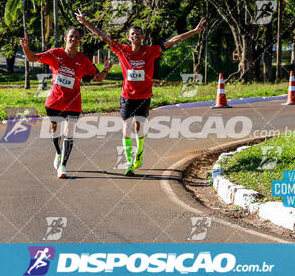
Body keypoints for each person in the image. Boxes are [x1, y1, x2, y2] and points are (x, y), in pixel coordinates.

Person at [75, 10, 206, 176]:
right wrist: (85, 23)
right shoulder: (122, 50)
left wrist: (194, 31)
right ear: (128, 38)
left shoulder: (151, 51)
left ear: (143, 37)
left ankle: (140, 150)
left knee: (139, 127)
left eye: (138, 33)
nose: (135, 36)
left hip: (143, 97)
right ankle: (129, 163)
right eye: (132, 34)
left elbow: (174, 40)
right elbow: (103, 36)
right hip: (127, 97)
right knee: (126, 127)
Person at [19, 28, 112, 178]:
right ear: (65, 38)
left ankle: (62, 166)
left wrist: (105, 70)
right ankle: (58, 152)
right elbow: (32, 58)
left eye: (76, 37)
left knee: (69, 133)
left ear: (79, 41)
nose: (73, 39)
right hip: (55, 101)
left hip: (74, 102)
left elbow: (98, 78)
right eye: (71, 36)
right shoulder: (55, 54)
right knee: (55, 130)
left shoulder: (83, 60)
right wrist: (26, 47)